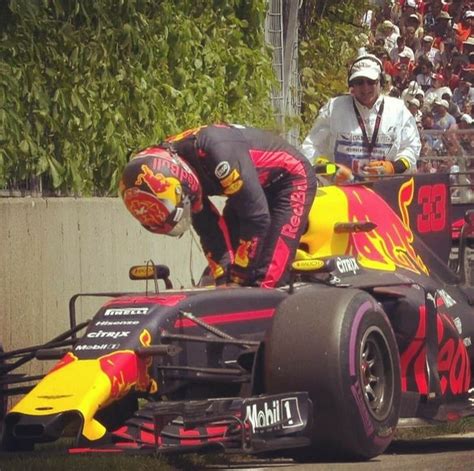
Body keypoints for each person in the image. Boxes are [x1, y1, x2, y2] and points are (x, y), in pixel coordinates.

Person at [120, 124, 317, 289]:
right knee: (226, 275)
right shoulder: (175, 172)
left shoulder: (215, 153)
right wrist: (223, 280)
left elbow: (257, 218)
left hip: (289, 180)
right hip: (249, 189)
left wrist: (238, 279)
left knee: (265, 279)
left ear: (184, 188)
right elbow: (209, 230)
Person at [301, 54, 421, 178]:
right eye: (359, 82)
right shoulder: (334, 108)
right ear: (352, 84)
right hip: (342, 191)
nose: (365, 88)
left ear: (381, 82)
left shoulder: (398, 110)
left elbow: (412, 147)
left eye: (371, 82)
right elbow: (310, 148)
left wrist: (393, 167)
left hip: (384, 189)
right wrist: (330, 169)